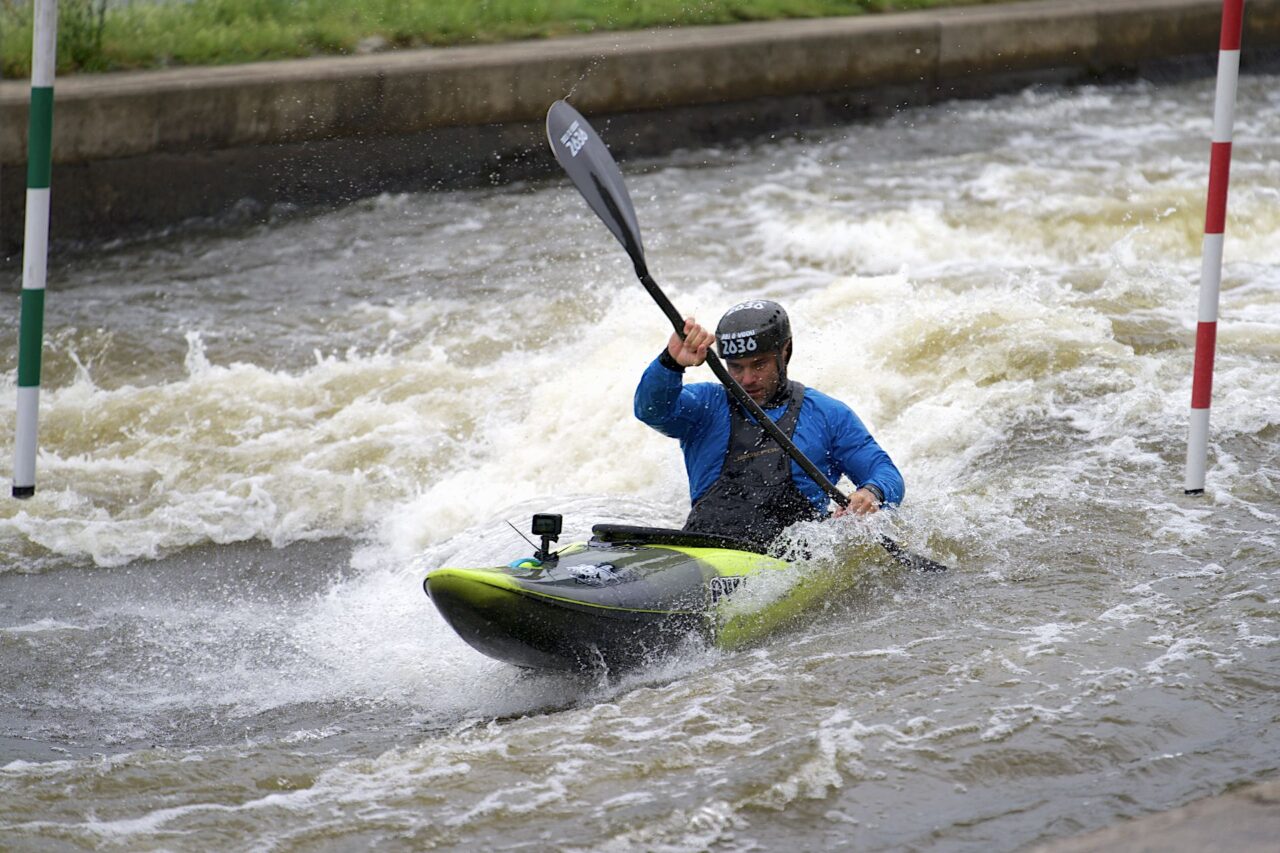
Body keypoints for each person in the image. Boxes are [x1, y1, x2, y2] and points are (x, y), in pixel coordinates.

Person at [634, 299, 904, 549]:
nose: (747, 379)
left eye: (759, 364)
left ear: (785, 351)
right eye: (736, 367)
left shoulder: (827, 414)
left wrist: (871, 492)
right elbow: (651, 410)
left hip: (789, 560)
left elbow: (884, 471)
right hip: (707, 549)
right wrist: (670, 363)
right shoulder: (705, 406)